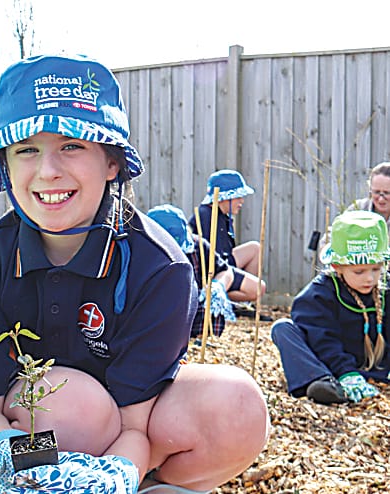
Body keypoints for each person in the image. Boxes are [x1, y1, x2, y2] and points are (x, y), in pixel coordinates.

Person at [0, 54, 269, 494]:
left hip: (128, 424)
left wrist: (119, 475)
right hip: (38, 432)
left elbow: (133, 422)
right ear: (3, 164)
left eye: (71, 145)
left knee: (236, 405)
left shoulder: (161, 267)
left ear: (112, 162)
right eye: (26, 149)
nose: (48, 171)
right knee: (71, 407)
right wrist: (10, 462)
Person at [271, 210, 389, 405]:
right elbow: (322, 339)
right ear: (336, 266)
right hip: (330, 366)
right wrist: (345, 372)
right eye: (359, 271)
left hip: (375, 368)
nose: (369, 278)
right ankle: (321, 383)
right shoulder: (319, 294)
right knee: (282, 328)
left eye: (376, 269)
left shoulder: (385, 289)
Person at [147, 204, 236, 339]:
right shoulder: (142, 251)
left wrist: (218, 286)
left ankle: (203, 337)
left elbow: (225, 271)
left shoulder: (197, 246)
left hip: (193, 310)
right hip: (157, 314)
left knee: (210, 305)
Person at [187, 170, 266, 303]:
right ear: (225, 196)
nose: (242, 201)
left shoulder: (222, 215)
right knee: (259, 288)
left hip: (224, 260)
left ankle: (244, 304)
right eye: (238, 196)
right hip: (213, 270)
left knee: (255, 248)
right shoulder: (207, 216)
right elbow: (211, 260)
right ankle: (225, 301)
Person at [348, 161, 390, 227]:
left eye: (387, 193)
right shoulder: (357, 209)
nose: (381, 199)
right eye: (377, 192)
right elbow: (334, 232)